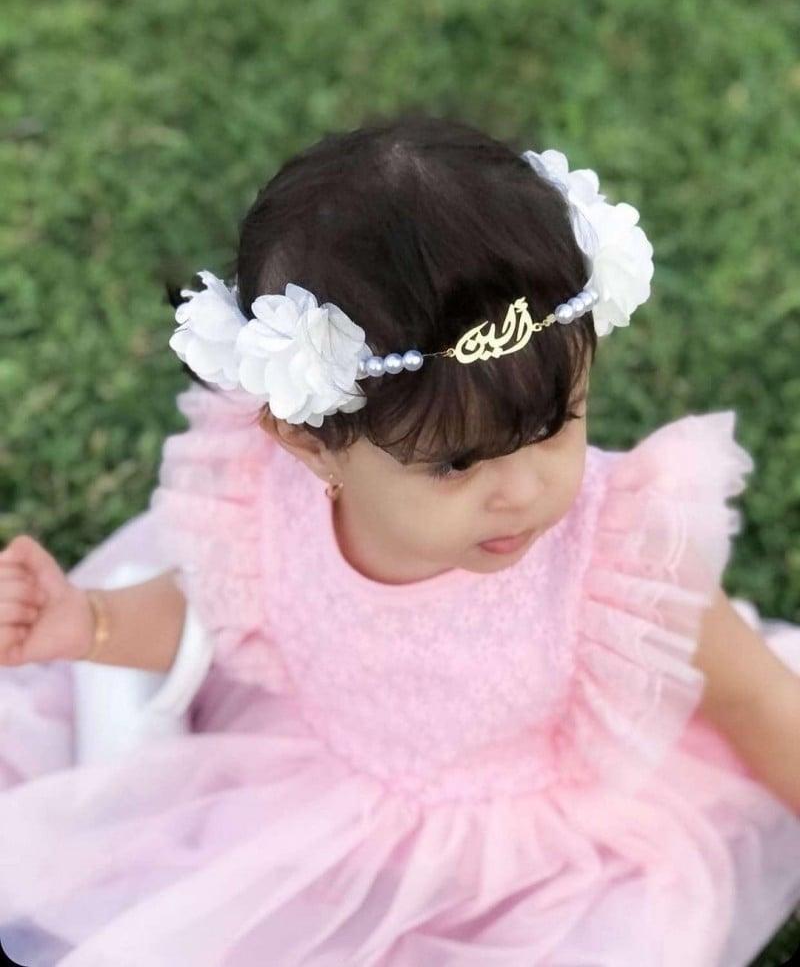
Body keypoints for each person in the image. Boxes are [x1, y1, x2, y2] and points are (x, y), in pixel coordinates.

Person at [0, 114, 799, 967]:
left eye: (554, 426)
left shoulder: (619, 554)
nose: (522, 490)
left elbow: (754, 698)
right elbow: (215, 612)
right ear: (310, 444)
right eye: (458, 463)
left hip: (539, 859)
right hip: (318, 805)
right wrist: (92, 624)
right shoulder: (267, 503)